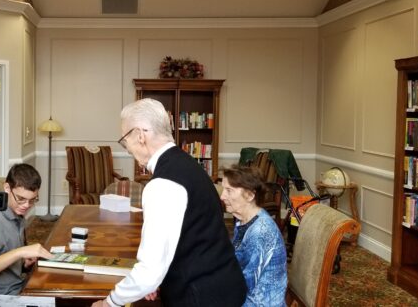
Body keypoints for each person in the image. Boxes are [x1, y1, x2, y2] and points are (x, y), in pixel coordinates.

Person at [93, 98, 247, 307]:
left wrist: (108, 303)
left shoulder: (163, 185)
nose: (127, 148)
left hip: (200, 296)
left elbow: (149, 272)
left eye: (124, 140)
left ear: (139, 135)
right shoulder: (188, 164)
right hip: (222, 285)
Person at [0, 163, 54, 305]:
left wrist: (23, 264)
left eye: (32, 200)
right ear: (7, 188)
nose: (27, 205)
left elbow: (2, 253)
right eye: (21, 198)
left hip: (15, 289)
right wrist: (20, 252)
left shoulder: (15, 211)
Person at [220, 164, 287, 306]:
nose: (222, 196)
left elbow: (243, 285)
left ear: (250, 195)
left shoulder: (260, 231)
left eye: (229, 191)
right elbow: (236, 261)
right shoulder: (245, 220)